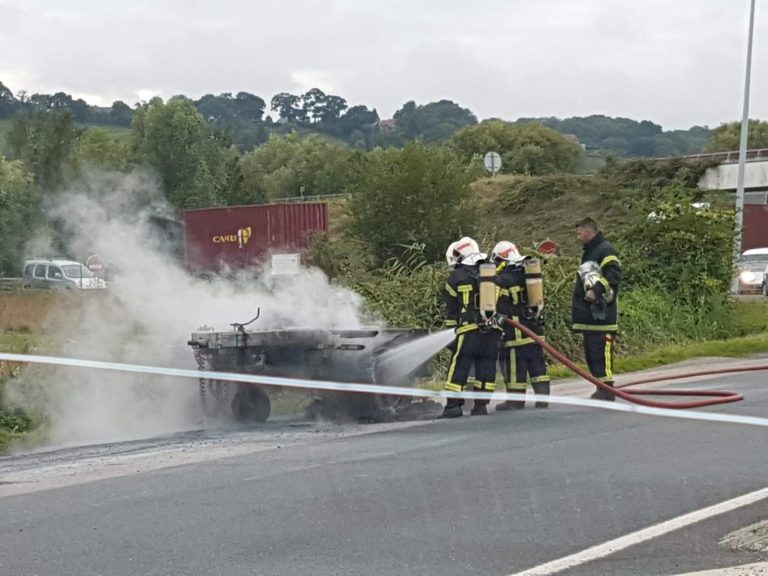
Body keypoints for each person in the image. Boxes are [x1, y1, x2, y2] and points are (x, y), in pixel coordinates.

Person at [440, 237, 499, 418]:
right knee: (487, 364)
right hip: (493, 328)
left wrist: (451, 335)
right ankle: (480, 406)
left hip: (468, 329)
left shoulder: (455, 277)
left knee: (460, 364)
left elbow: (452, 311)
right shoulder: (491, 271)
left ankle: (453, 406)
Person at [492, 241, 550, 410]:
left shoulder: (502, 279)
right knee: (538, 365)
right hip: (535, 329)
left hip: (515, 332)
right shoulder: (528, 272)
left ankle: (515, 401)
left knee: (514, 366)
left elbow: (500, 306)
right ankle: (542, 398)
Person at [572, 217, 621, 401]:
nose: (578, 238)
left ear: (588, 231)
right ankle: (600, 387)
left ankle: (607, 389)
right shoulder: (591, 252)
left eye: (579, 234)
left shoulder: (605, 250)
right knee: (592, 355)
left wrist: (596, 290)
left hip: (603, 317)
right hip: (591, 318)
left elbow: (614, 275)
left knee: (602, 354)